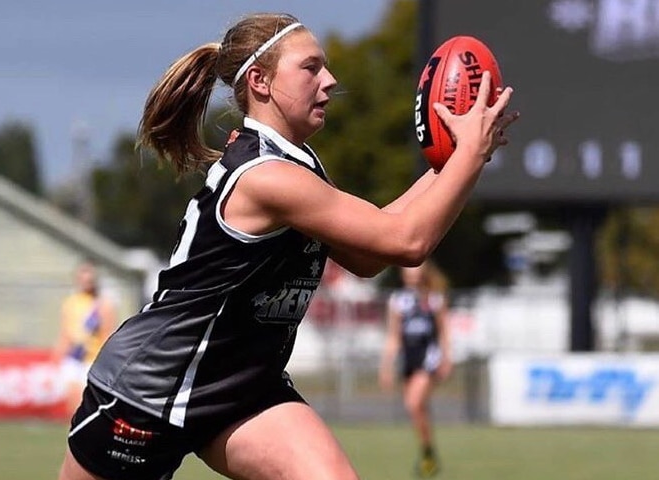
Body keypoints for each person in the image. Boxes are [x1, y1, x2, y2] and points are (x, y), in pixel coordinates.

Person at [58, 12, 518, 480]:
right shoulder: (268, 178)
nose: (330, 80)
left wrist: (455, 161)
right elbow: (407, 241)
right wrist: (468, 157)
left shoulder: (296, 166)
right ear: (259, 81)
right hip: (149, 394)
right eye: (311, 67)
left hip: (242, 389)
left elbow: (367, 256)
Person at [379, 261, 452, 478]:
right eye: (407, 269)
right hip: (408, 359)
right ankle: (428, 452)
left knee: (413, 403)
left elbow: (444, 331)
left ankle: (428, 454)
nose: (411, 273)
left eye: (415, 268)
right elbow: (393, 337)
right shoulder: (397, 301)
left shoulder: (434, 298)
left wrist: (447, 358)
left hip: (428, 359)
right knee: (417, 409)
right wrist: (386, 366)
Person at [52, 260, 117, 419]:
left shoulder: (102, 304)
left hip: (92, 359)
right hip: (74, 357)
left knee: (86, 402)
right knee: (72, 402)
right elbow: (66, 332)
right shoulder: (71, 303)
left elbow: (108, 333)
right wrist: (58, 354)